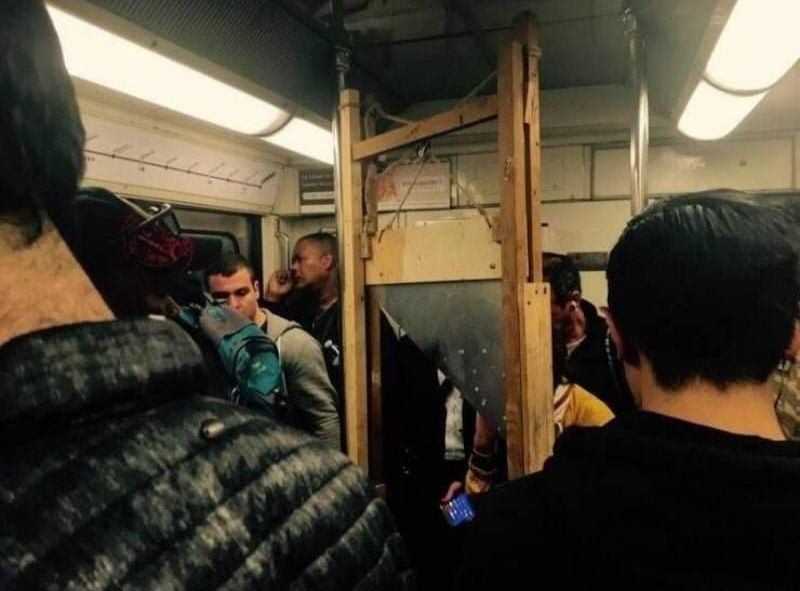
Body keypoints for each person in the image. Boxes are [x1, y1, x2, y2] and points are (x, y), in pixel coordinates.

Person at [0, 2, 414, 588]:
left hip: (426, 473)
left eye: (245, 292)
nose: (231, 304)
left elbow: (340, 416)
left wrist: (415, 475)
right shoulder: (316, 484)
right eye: (224, 293)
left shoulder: (309, 342)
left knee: (459, 521)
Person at [457, 191, 800, 589]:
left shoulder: (519, 526)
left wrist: (470, 498)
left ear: (617, 335)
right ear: (792, 338)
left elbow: (467, 515)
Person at [206, 252, 342, 448]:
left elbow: (324, 422)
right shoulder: (207, 340)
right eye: (221, 298)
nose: (233, 305)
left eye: (241, 293)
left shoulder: (292, 344)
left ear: (257, 290)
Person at [544, 252, 634, 415]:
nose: (532, 312)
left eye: (544, 304)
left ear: (574, 301)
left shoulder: (611, 344)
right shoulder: (531, 350)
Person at [266, 232, 342, 396]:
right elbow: (272, 345)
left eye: (300, 259)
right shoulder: (297, 308)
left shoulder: (350, 314)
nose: (293, 268)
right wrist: (273, 298)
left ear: (326, 261)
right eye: (293, 261)